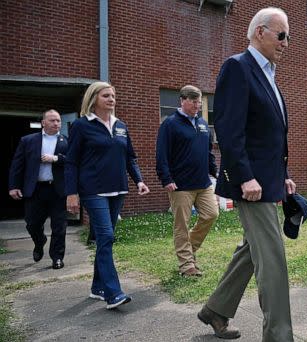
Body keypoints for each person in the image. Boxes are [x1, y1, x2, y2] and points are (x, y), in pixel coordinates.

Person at [197, 7, 294, 341]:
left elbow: (268, 134)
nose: (286, 42)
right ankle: (279, 336)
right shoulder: (238, 67)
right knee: (273, 261)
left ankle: (216, 310)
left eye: (288, 36)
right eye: (282, 35)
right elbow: (228, 127)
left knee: (252, 252)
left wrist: (282, 174)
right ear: (260, 33)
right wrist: (244, 177)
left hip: (267, 180)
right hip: (251, 184)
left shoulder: (268, 74)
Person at [65, 81, 150, 309]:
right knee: (106, 237)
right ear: (94, 99)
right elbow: (71, 162)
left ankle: (97, 287)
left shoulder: (121, 126)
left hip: (118, 189)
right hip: (93, 191)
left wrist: (139, 180)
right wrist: (71, 193)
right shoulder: (82, 126)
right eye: (106, 96)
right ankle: (113, 293)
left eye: (113, 95)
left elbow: (129, 157)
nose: (111, 99)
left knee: (105, 239)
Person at [156, 85, 219, 277]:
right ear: (182, 100)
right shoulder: (170, 124)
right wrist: (166, 178)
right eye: (193, 101)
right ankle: (186, 265)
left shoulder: (201, 123)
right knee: (181, 224)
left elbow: (208, 151)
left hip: (203, 183)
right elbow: (162, 154)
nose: (197, 105)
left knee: (211, 215)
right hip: (180, 185)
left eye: (199, 101)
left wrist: (213, 171)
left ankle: (188, 252)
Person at [8, 109, 68, 269]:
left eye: (58, 121)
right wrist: (14, 186)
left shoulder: (65, 141)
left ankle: (57, 257)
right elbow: (17, 165)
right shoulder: (28, 140)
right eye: (52, 120)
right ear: (43, 123)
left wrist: (56, 158)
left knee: (59, 226)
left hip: (58, 190)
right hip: (35, 190)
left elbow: (73, 161)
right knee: (32, 224)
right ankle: (39, 241)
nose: (56, 123)